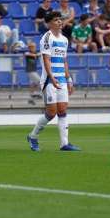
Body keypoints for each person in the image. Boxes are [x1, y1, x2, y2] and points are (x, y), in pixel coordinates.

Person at [27, 11, 80, 152]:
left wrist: (69, 80)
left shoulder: (64, 39)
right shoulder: (46, 37)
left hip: (62, 79)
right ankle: (32, 136)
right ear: (49, 23)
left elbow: (64, 60)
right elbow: (46, 60)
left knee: (62, 110)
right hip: (49, 80)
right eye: (56, 20)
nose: (60, 22)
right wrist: (52, 77)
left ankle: (64, 144)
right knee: (51, 113)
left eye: (60, 20)